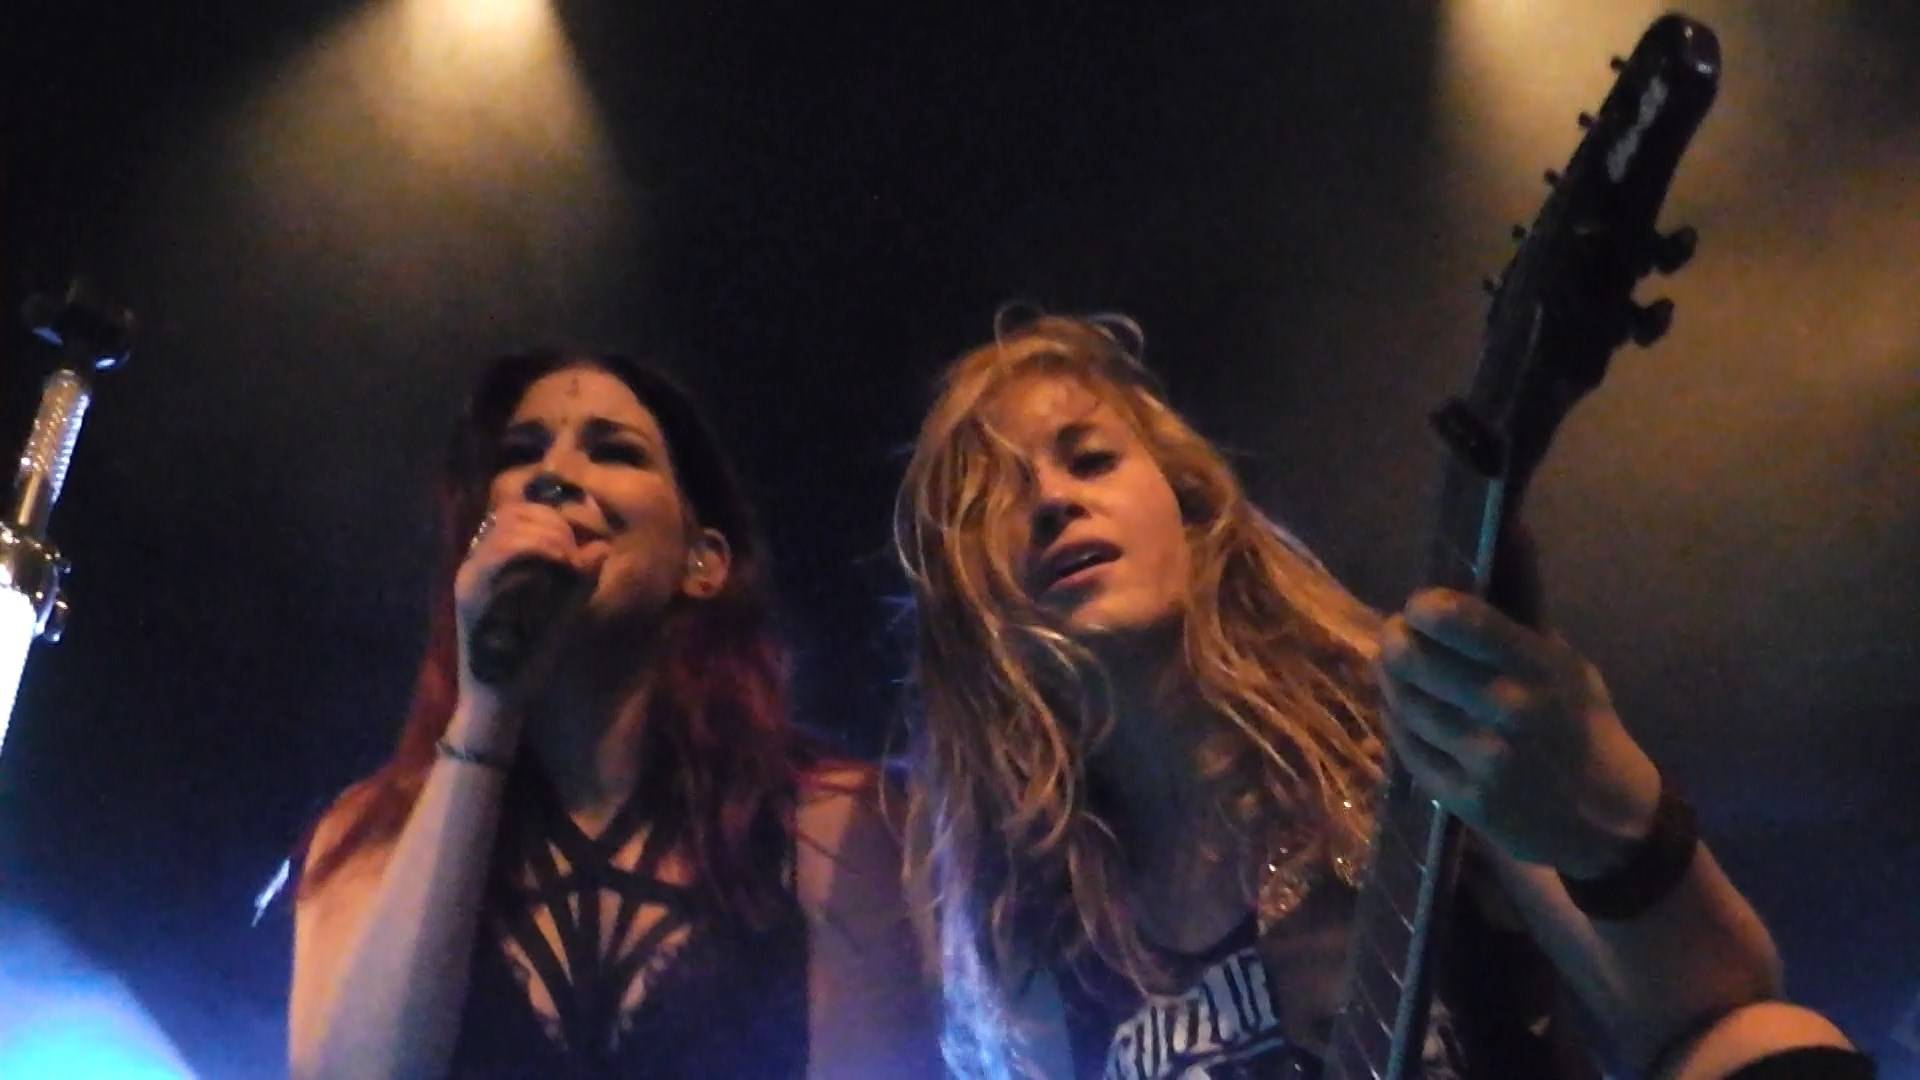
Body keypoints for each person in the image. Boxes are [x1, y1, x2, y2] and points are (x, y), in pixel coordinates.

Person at [892, 313, 1871, 1079]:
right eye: (1000, 498)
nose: (1054, 500)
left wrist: (1611, 825)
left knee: (1768, 1044)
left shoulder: (1398, 730)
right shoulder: (1038, 931)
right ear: (968, 605)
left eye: (1091, 458)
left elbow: (1718, 997)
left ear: (1189, 508)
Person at [289, 350, 939, 1078]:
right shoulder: (370, 834)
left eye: (615, 452)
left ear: (703, 560)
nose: (554, 475)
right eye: (522, 453)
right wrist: (487, 707)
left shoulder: (833, 822)